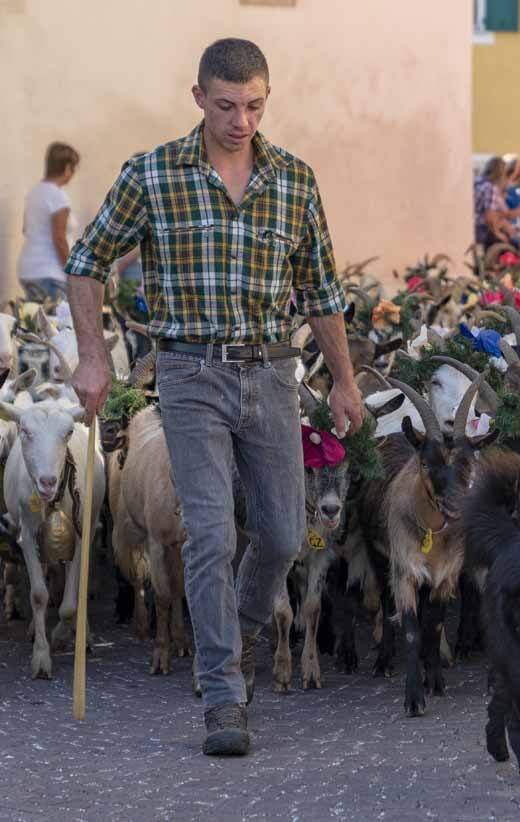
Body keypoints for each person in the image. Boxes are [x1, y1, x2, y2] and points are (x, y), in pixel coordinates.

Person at [66, 38, 364, 756]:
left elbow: (323, 292)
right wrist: (92, 355)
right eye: (228, 105)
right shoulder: (153, 172)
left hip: (272, 372)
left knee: (286, 533)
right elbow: (86, 263)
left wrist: (347, 379)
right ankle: (225, 695)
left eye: (256, 105)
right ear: (198, 96)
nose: (242, 120)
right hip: (189, 373)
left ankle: (239, 627)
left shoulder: (294, 179)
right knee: (208, 533)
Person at [18, 142, 80, 301]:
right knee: (58, 322)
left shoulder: (34, 192)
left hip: (28, 269)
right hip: (50, 271)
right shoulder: (59, 196)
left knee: (34, 320)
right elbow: (59, 238)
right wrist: (73, 272)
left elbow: (26, 229)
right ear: (67, 168)